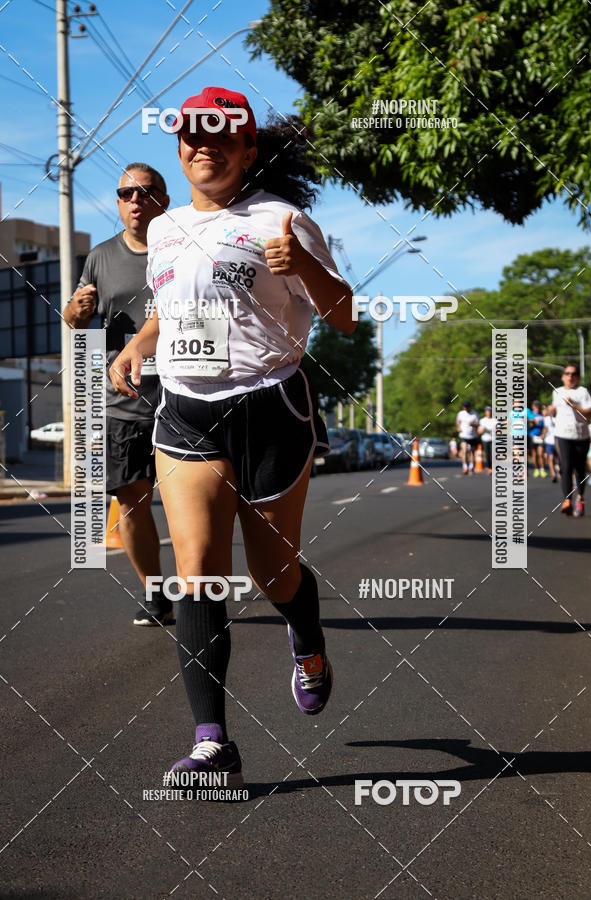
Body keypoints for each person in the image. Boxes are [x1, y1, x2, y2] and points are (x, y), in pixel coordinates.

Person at [108, 87, 354, 784]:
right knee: (200, 574)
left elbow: (344, 316)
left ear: (248, 150)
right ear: (179, 147)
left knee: (276, 572)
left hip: (270, 410)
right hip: (186, 410)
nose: (204, 146)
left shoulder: (282, 218)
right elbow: (171, 308)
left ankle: (306, 636)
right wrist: (139, 346)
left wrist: (301, 265)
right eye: (192, 135)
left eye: (222, 137)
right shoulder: (163, 227)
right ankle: (213, 743)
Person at [64, 162, 173, 625]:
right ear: (117, 201)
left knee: (202, 499)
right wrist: (75, 311)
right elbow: (75, 324)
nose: (135, 201)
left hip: (180, 398)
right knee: (130, 500)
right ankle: (156, 595)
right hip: (123, 402)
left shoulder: (182, 248)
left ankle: (202, 589)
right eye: (126, 193)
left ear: (162, 200)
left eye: (145, 193)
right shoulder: (100, 257)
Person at [547, 363, 591, 516]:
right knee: (566, 467)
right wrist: (551, 410)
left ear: (577, 377)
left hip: (581, 436)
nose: (570, 376)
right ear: (563, 377)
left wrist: (574, 406)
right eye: (567, 373)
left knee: (579, 469)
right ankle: (567, 500)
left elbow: (589, 413)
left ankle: (580, 499)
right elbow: (552, 413)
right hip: (563, 434)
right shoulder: (557, 391)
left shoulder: (582, 392)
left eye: (573, 374)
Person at [456, 401, 479, 474]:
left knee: (472, 452)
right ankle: (465, 467)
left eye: (467, 406)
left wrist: (473, 424)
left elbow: (478, 424)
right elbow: (458, 421)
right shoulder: (461, 413)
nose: (465, 408)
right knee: (464, 450)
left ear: (470, 406)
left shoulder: (474, 414)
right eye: (464, 406)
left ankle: (471, 467)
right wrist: (458, 427)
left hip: (473, 435)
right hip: (464, 435)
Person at [528, 400, 546, 477]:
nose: (537, 408)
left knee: (540, 454)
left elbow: (545, 425)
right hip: (532, 436)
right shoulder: (531, 415)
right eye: (535, 407)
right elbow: (529, 425)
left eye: (538, 407)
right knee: (534, 454)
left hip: (540, 436)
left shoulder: (542, 415)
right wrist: (533, 421)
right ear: (533, 407)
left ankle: (542, 469)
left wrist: (543, 434)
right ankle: (536, 469)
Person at [542, 404, 558, 482]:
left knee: (559, 459)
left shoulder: (559, 418)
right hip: (549, 441)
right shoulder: (547, 419)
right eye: (550, 410)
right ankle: (553, 474)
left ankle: (561, 472)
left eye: (552, 410)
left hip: (558, 441)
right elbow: (545, 428)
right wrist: (543, 435)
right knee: (551, 457)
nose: (551, 411)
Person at [477, 406, 496, 473]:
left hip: (493, 439)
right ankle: (489, 467)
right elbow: (479, 432)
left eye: (489, 411)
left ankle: (493, 467)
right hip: (485, 439)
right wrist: (482, 429)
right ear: (485, 412)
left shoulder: (495, 420)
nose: (488, 412)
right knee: (487, 454)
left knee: (492, 453)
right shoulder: (482, 421)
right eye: (487, 411)